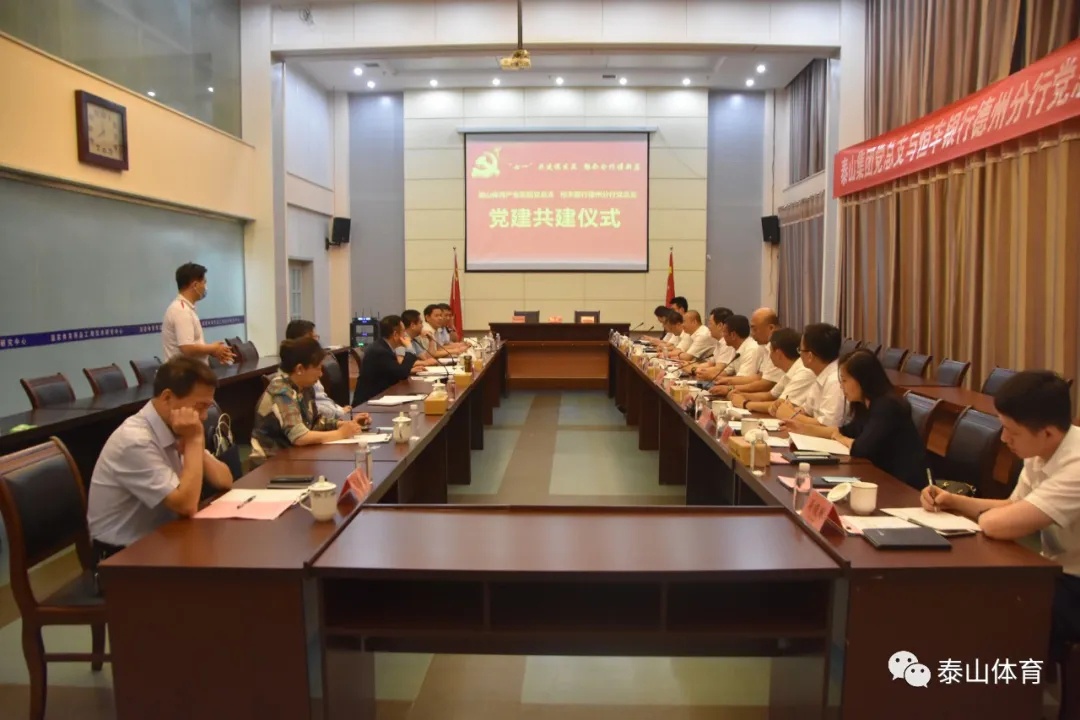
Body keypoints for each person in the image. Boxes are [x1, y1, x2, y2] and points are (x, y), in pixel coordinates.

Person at [920, 371, 1079, 664]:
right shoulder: (1042, 450)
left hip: (1074, 583)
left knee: (992, 603)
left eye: (1011, 431)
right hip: (1057, 570)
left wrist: (989, 517)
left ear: (1047, 433)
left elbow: (999, 524)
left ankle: (1014, 687)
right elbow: (1014, 506)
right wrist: (954, 501)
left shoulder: (1076, 465)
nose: (1004, 439)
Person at [87, 357, 234, 560]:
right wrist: (194, 441)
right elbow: (186, 505)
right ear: (167, 398)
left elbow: (225, 480)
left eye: (207, 408)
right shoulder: (135, 440)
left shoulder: (177, 427)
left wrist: (197, 449)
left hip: (164, 538)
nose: (202, 417)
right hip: (121, 556)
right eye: (199, 406)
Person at [789, 350, 927, 488]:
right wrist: (802, 428)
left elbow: (860, 448)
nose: (841, 386)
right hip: (877, 475)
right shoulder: (864, 404)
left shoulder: (887, 406)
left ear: (862, 380)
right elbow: (845, 431)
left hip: (901, 484)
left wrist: (841, 438)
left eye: (844, 380)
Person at [250, 337, 364, 463]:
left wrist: (342, 424)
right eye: (318, 368)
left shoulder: (305, 387)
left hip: (295, 456)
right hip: (271, 463)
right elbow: (299, 436)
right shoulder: (281, 390)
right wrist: (340, 434)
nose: (321, 374)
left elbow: (315, 422)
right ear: (300, 369)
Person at [161, 262, 234, 364]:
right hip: (183, 372)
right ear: (195, 285)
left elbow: (193, 345)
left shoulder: (186, 308)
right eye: (204, 282)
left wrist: (213, 351)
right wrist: (212, 348)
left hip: (192, 370)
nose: (205, 287)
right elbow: (187, 348)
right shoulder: (181, 310)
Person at [730, 328, 817, 412]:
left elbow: (781, 406)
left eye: (770, 351)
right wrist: (741, 395)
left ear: (778, 354)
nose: (769, 356)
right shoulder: (791, 370)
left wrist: (745, 403)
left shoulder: (804, 372)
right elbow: (770, 395)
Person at [777, 322, 845, 427]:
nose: (799, 355)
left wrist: (790, 415)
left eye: (800, 350)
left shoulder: (835, 381)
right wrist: (789, 409)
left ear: (810, 356)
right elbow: (807, 410)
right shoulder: (820, 374)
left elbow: (827, 426)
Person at [284, 319, 353, 420]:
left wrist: (339, 421)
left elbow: (317, 411)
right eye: (313, 338)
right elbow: (299, 428)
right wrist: (339, 413)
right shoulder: (284, 390)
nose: (321, 374)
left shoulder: (307, 374)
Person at [709, 308, 784, 395]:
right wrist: (727, 380)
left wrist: (731, 388)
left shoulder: (779, 348)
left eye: (755, 329)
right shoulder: (767, 347)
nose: (752, 333)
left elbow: (766, 384)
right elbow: (760, 377)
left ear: (771, 328)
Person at [352, 315, 419, 405]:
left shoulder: (383, 346)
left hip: (381, 396)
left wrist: (409, 369)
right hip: (368, 403)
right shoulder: (380, 351)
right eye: (403, 332)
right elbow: (401, 374)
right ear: (395, 335)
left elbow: (394, 370)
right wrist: (410, 349)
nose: (406, 335)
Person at [706, 315, 758, 393]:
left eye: (724, 332)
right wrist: (708, 374)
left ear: (733, 335)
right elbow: (727, 371)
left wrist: (714, 377)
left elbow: (742, 379)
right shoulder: (736, 347)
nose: (722, 335)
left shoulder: (751, 349)